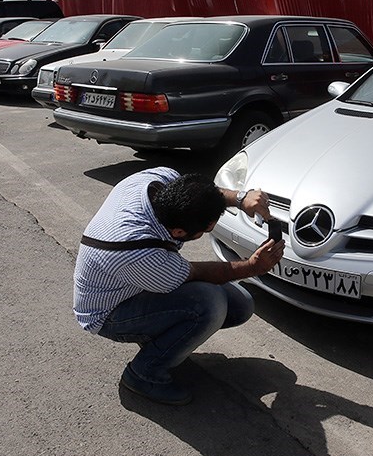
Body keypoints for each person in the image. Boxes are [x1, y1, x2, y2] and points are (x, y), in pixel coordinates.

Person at [73, 166, 284, 406]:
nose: (208, 232)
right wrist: (252, 267)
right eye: (205, 230)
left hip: (134, 284)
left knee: (240, 304)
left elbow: (202, 192)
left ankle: (162, 341)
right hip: (108, 312)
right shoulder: (138, 250)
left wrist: (240, 198)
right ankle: (143, 374)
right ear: (179, 231)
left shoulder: (157, 180)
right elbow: (196, 272)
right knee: (209, 303)